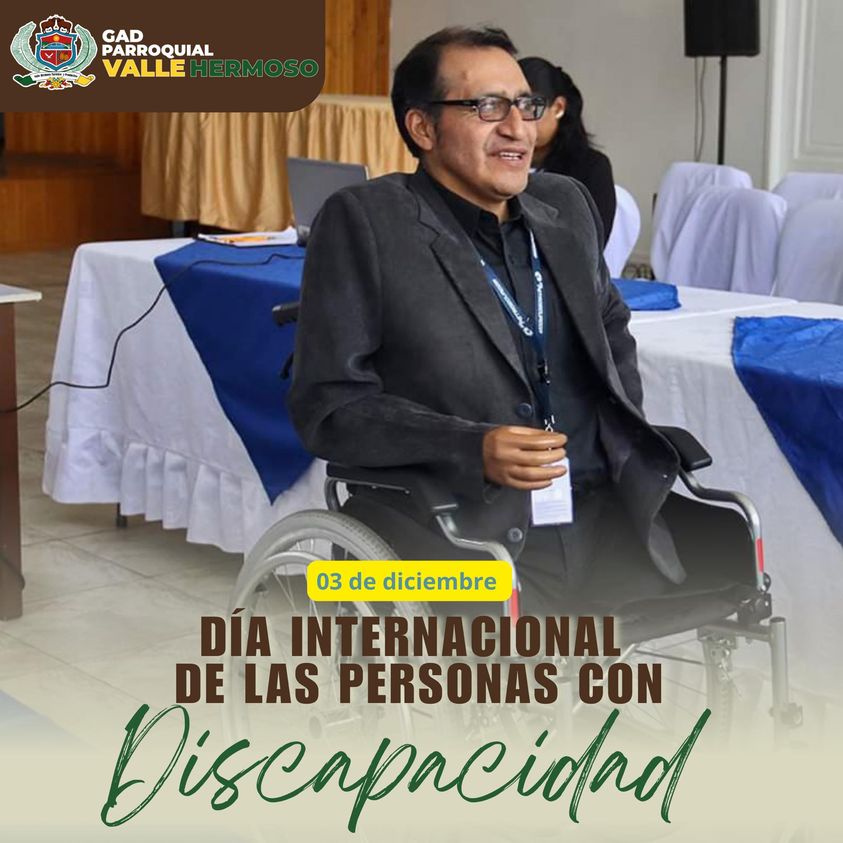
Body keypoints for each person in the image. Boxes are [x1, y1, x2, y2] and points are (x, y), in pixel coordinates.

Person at [287, 26, 683, 614]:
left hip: (604, 515)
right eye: (488, 107)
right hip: (461, 533)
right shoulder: (368, 223)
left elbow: (612, 333)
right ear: (423, 128)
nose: (518, 129)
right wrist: (471, 447)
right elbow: (329, 406)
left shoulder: (566, 206)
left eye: (525, 105)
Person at [518, 57, 616, 240]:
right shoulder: (497, 158)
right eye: (510, 106)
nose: (517, 121)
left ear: (558, 107)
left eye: (530, 107)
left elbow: (590, 243)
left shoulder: (591, 167)